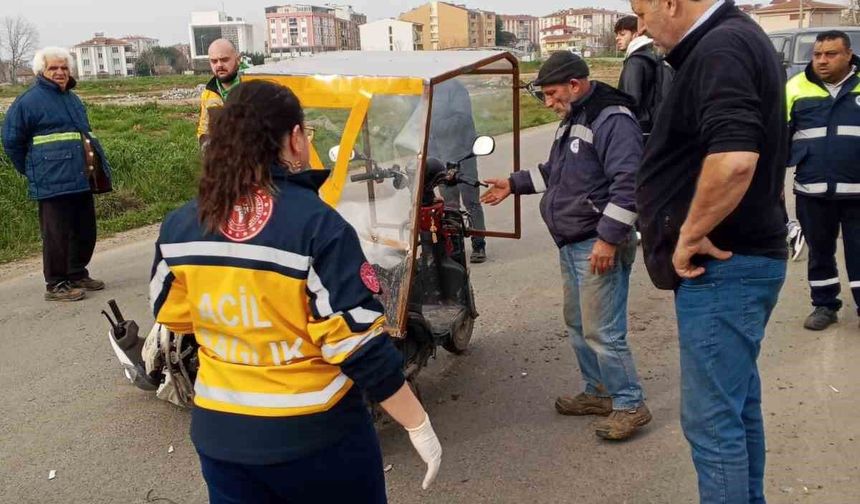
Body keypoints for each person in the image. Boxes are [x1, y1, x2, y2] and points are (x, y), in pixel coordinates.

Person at [150, 80, 441, 503]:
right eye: (305, 131)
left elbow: (172, 313)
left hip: (221, 436)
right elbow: (357, 344)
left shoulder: (181, 225)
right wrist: (417, 423)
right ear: (294, 139)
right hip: (315, 437)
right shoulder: (316, 224)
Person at [632, 0, 788, 502]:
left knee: (712, 421)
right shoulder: (730, 39)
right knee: (736, 408)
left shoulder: (721, 46)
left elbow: (736, 158)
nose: (641, 27)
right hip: (743, 264)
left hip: (724, 268)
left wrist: (690, 234)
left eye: (641, 12)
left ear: (668, 3)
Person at [482, 52, 651, 441]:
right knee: (579, 325)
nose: (548, 102)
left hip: (597, 243)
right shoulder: (574, 119)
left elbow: (629, 186)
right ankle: (599, 393)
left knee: (603, 330)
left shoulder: (612, 120)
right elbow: (556, 172)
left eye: (553, 93)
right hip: (574, 244)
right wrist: (513, 183)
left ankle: (630, 404)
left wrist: (609, 239)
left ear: (575, 85)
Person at [2, 46, 111, 302]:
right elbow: (11, 141)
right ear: (42, 71)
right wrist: (32, 170)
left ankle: (76, 273)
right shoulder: (28, 102)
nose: (60, 72)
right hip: (51, 181)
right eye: (54, 68)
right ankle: (56, 283)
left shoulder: (72, 98)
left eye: (64, 68)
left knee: (85, 230)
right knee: (56, 235)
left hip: (80, 178)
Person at [786, 30, 860, 331]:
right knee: (819, 252)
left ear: (849, 55)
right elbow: (779, 137)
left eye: (830, 54)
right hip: (812, 190)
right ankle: (824, 305)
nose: (822, 60)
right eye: (817, 54)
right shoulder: (795, 88)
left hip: (857, 192)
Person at [431, 79, 488, 263]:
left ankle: (479, 244)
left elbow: (462, 118)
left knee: (471, 202)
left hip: (464, 154)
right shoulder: (429, 88)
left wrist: (434, 125)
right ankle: (454, 246)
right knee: (449, 204)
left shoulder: (456, 89)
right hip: (441, 156)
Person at [615, 15, 662, 135]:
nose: (617, 38)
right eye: (617, 34)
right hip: (653, 125)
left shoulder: (635, 61)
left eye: (622, 34)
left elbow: (631, 100)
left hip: (639, 128)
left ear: (636, 34)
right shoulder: (650, 56)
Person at [197, 38, 242, 150]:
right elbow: (203, 130)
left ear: (238, 59)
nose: (219, 65)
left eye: (224, 60)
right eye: (214, 61)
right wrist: (207, 147)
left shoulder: (252, 88)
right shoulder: (208, 94)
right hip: (222, 162)